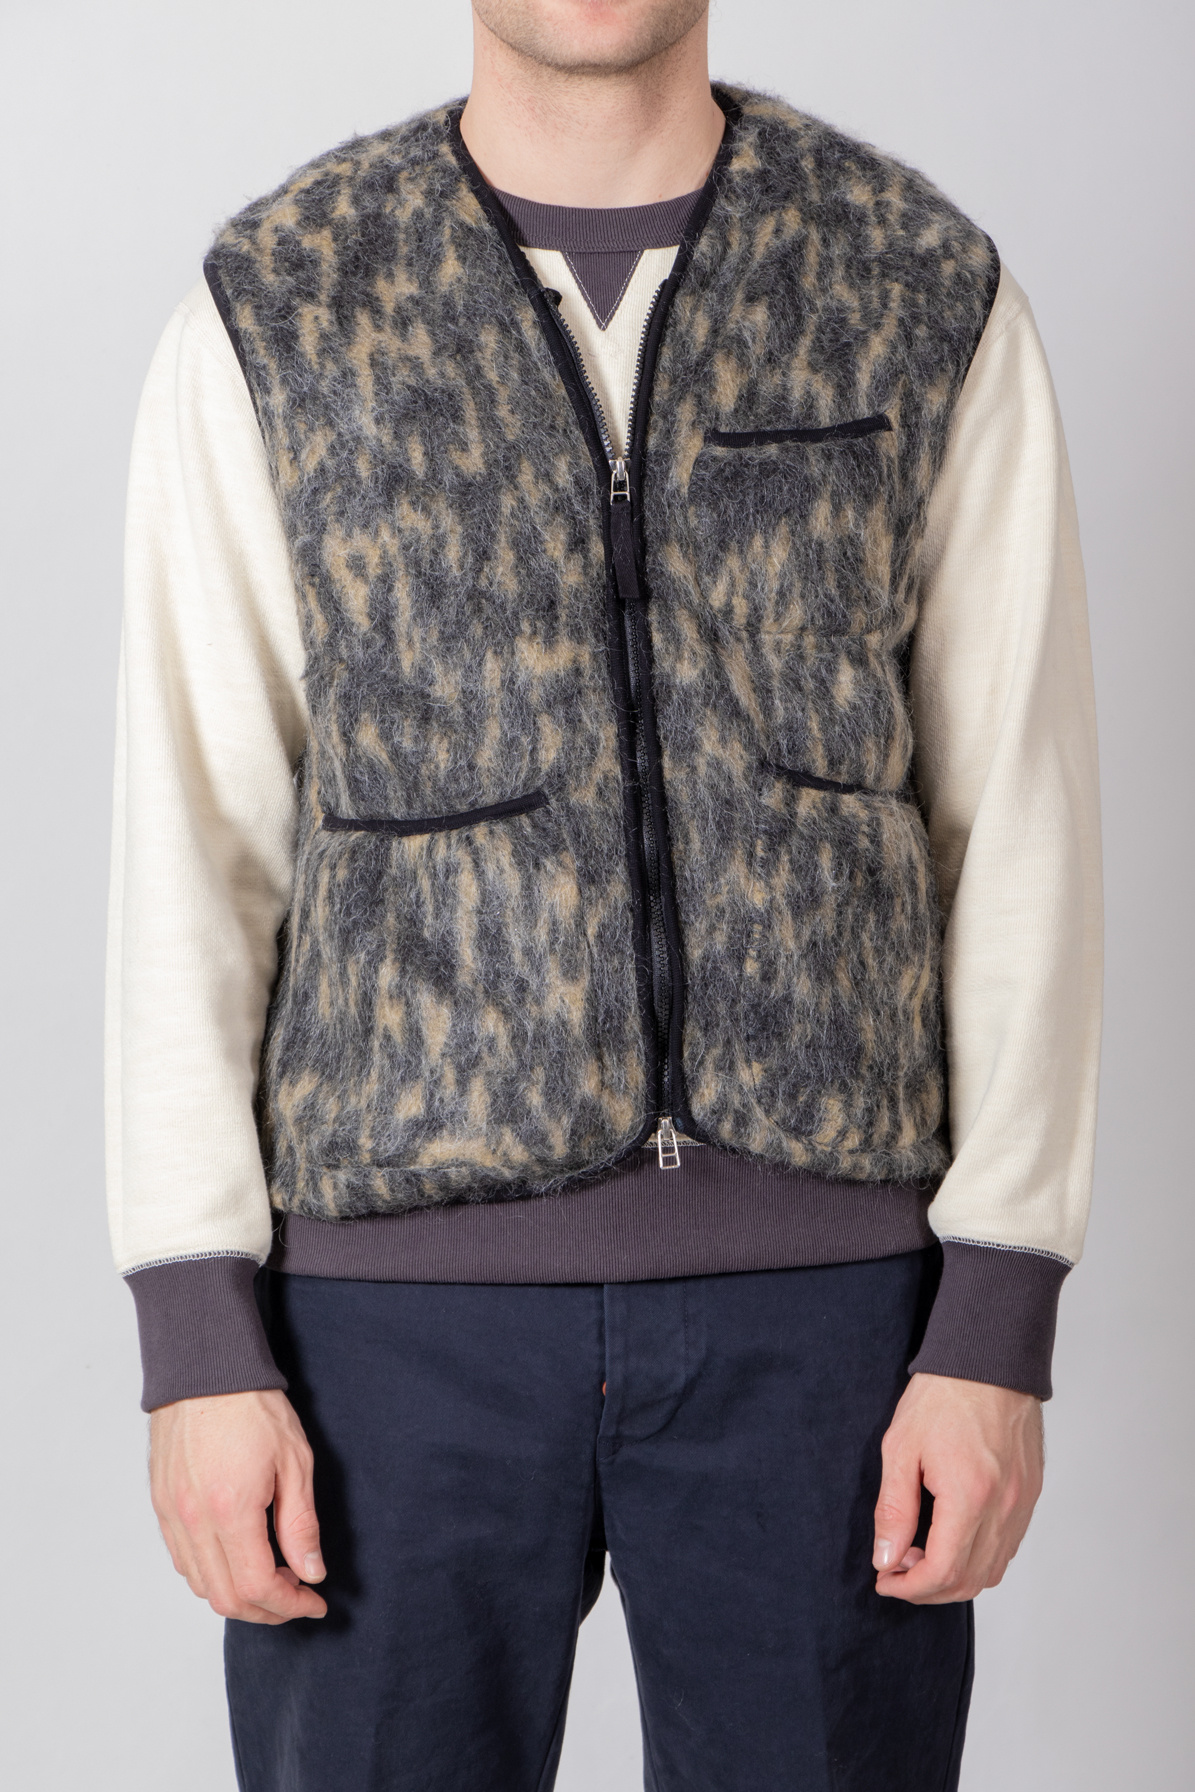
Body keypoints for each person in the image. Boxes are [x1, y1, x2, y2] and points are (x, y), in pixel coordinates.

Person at [107, 2, 1102, 1787]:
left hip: (834, 1327)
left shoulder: (916, 284)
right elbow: (197, 842)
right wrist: (195, 1338)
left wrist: (997, 1318)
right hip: (386, 1339)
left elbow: (1017, 817)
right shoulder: (282, 304)